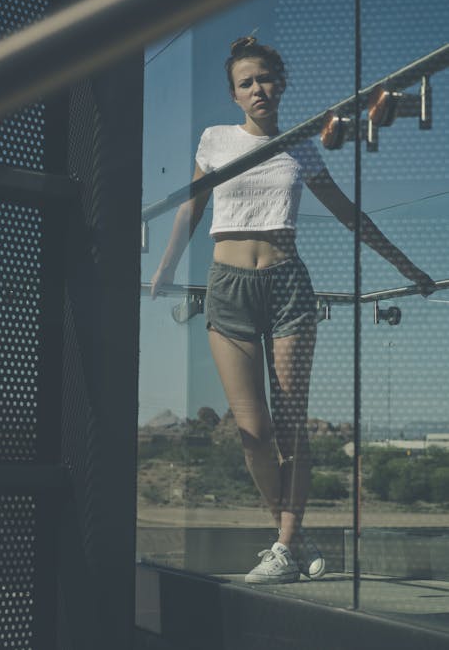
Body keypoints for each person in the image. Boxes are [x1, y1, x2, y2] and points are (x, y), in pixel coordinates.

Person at [150, 36, 435, 584]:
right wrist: (165, 268)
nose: (258, 89)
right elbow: (192, 208)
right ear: (234, 95)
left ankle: (282, 543)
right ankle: (295, 536)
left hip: (288, 288)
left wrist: (405, 268)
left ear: (281, 84)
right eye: (246, 82)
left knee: (289, 426)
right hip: (226, 287)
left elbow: (350, 215)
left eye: (265, 79)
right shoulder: (214, 140)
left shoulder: (301, 146)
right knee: (251, 431)